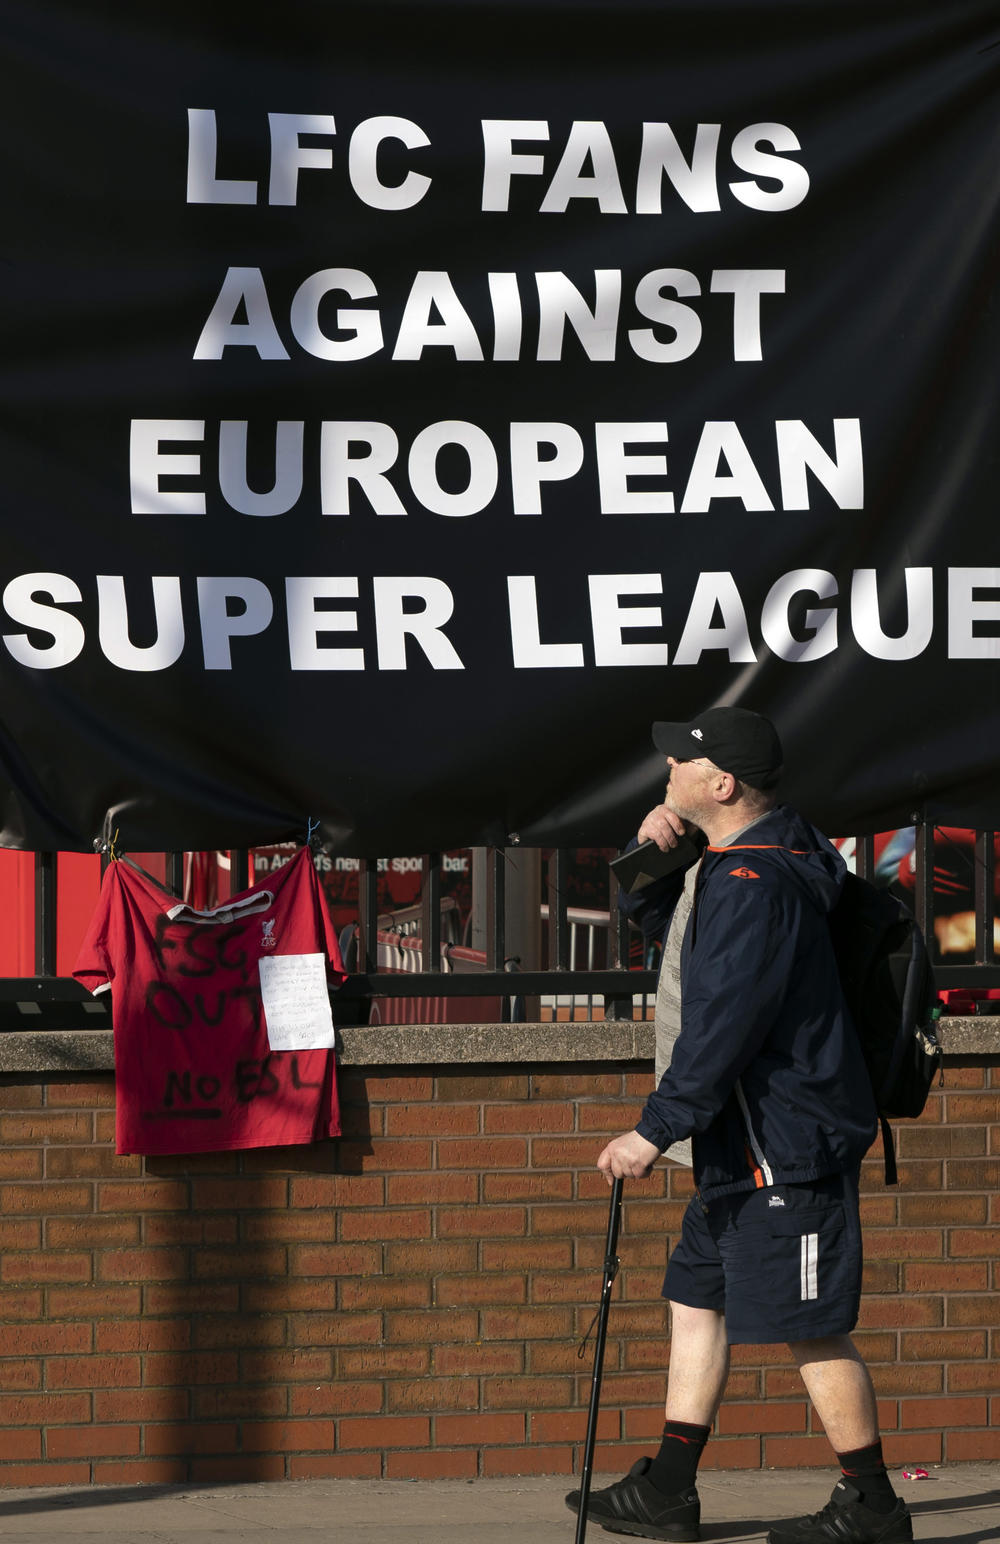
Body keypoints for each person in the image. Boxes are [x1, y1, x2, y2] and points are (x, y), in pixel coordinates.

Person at [566, 707, 912, 1544]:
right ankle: (669, 1489)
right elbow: (681, 947)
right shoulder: (747, 856)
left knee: (809, 1327)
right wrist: (661, 859)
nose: (668, 772)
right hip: (738, 1142)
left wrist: (653, 1131)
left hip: (781, 1149)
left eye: (682, 763)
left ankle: (872, 1506)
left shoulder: (758, 882)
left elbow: (723, 1022)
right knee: (696, 1298)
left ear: (720, 784)